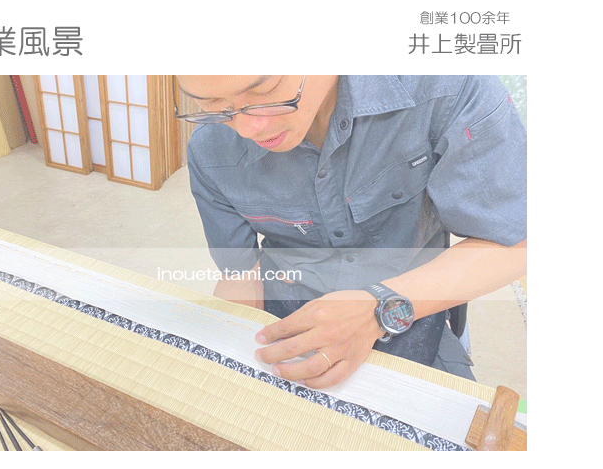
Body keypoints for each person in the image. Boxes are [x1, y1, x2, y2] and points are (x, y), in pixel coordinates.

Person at [176, 75, 527, 390]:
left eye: (266, 90)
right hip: (286, 317)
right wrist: (230, 351)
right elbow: (240, 274)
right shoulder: (210, 147)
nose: (248, 128)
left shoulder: (448, 86)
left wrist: (378, 309)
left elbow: (515, 240)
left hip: (412, 312)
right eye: (213, 104)